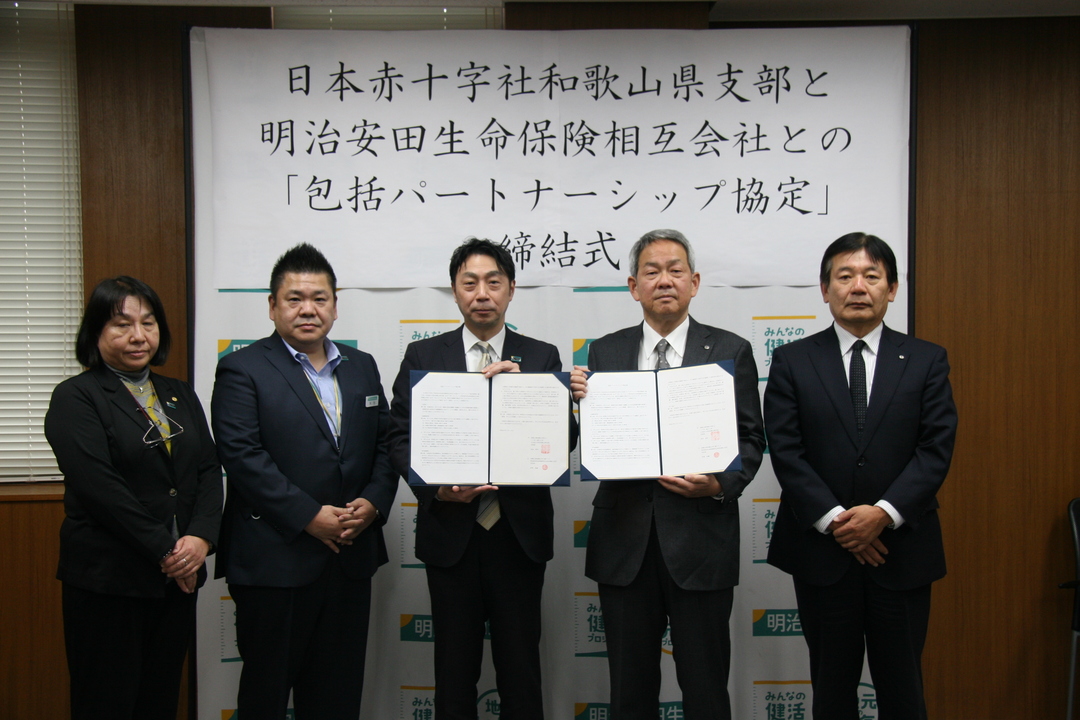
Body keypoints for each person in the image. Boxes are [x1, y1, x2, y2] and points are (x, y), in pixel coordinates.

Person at [569, 229, 765, 720]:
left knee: (705, 689)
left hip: (702, 540)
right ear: (633, 287)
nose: (664, 281)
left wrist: (718, 484)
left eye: (675, 271)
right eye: (651, 272)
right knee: (629, 693)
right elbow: (597, 438)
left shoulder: (730, 349)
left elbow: (751, 439)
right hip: (624, 543)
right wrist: (577, 407)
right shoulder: (604, 352)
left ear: (694, 283)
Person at [764, 232, 958, 720]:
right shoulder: (792, 360)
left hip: (902, 551)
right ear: (824, 288)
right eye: (844, 275)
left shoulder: (927, 359)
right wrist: (839, 522)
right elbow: (786, 451)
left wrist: (883, 515)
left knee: (903, 692)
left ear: (892, 289)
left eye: (872, 276)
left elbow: (935, 449)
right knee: (831, 692)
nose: (857, 287)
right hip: (822, 555)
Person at [211, 243, 397, 720]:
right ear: (272, 306)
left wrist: (374, 503)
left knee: (337, 698)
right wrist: (309, 516)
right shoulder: (242, 368)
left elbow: (385, 444)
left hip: (349, 559)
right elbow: (242, 456)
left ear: (335, 306)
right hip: (275, 562)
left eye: (319, 298)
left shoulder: (362, 366)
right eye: (294, 299)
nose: (308, 309)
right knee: (265, 698)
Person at [388, 238, 569, 720]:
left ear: (511, 289)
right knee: (453, 673)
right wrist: (436, 490)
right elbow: (399, 437)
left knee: (521, 672)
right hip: (451, 535)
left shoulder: (541, 356)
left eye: (493, 282)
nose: (482, 293)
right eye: (470, 283)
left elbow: (563, 440)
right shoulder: (423, 355)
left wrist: (533, 396)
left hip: (519, 537)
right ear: (455, 291)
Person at [44, 276, 222, 720]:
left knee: (159, 701)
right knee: (107, 704)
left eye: (148, 322)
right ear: (95, 333)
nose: (138, 335)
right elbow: (101, 490)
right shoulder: (76, 397)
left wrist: (201, 538)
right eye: (122, 325)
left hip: (175, 582)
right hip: (109, 581)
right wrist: (169, 552)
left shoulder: (179, 392)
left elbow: (206, 470)